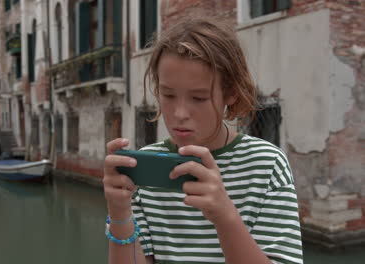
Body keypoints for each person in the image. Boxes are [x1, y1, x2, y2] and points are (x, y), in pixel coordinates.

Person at [103, 16, 303, 264]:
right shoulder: (143, 171)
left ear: (230, 93)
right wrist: (119, 212)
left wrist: (224, 215)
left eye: (198, 98)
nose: (179, 114)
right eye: (168, 95)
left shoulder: (267, 165)